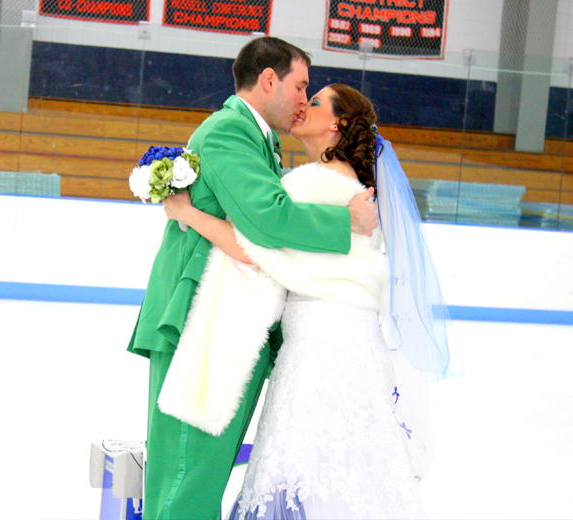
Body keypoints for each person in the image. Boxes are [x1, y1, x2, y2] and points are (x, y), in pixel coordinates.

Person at [162, 84, 458, 519]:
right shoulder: (358, 187)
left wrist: (187, 213)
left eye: (315, 101)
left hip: (320, 345)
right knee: (350, 462)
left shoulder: (310, 184)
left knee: (303, 462)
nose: (303, 105)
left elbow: (252, 249)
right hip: (354, 342)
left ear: (337, 123)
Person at [126, 38, 380, 520]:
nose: (303, 98)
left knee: (199, 476)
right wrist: (342, 221)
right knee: (186, 478)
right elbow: (267, 220)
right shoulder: (230, 132)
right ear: (269, 80)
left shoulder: (262, 141)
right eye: (301, 85)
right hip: (197, 324)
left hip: (228, 325)